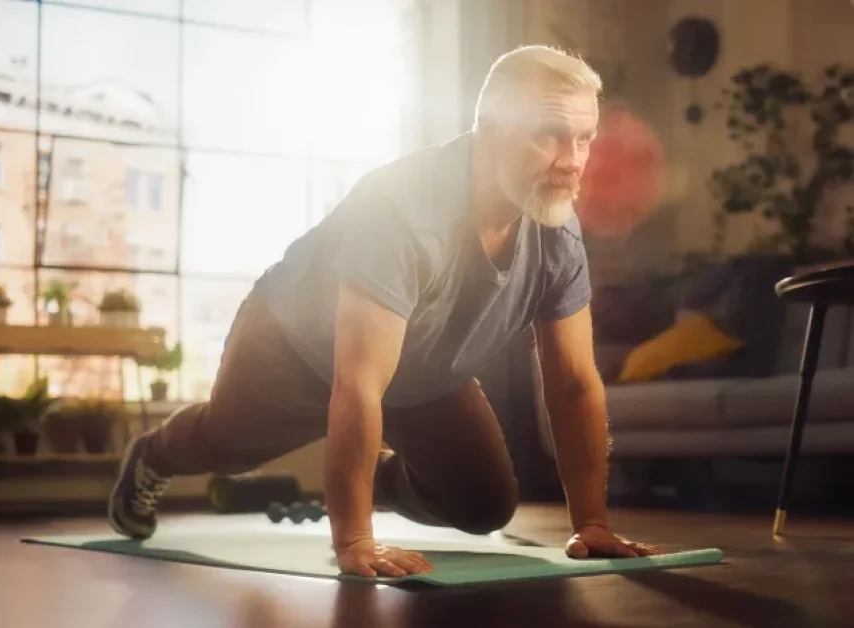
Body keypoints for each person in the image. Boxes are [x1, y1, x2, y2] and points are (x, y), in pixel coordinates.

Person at [108, 45, 661, 578]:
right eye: (549, 135)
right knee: (225, 446)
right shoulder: (401, 207)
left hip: (423, 371)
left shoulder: (555, 227)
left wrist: (591, 522)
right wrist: (354, 539)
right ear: (490, 129)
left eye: (584, 137)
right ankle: (153, 455)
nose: (573, 161)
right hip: (294, 347)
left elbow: (573, 383)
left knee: (482, 505)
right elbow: (358, 383)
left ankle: (365, 472)